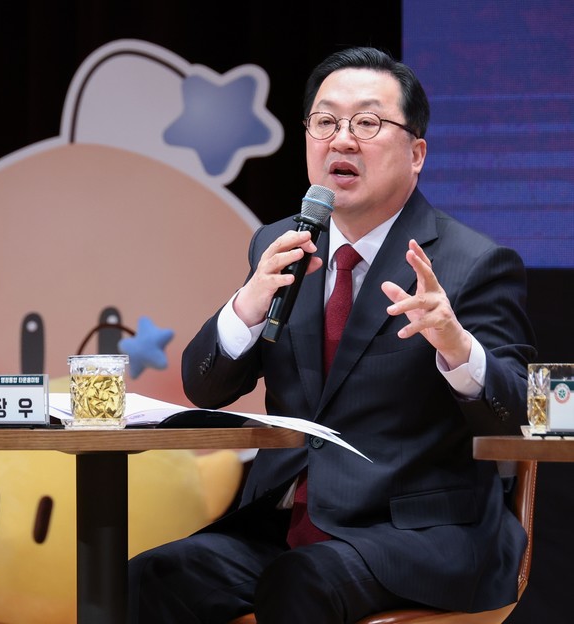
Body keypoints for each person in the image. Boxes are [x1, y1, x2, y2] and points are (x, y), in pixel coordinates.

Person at [127, 46, 537, 623]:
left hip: (416, 536)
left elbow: (523, 419)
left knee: (299, 582)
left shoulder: (473, 263)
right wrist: (247, 306)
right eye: (325, 122)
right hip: (285, 527)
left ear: (416, 153)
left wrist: (456, 346)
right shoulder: (282, 245)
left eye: (367, 123)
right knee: (150, 577)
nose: (341, 140)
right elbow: (205, 388)